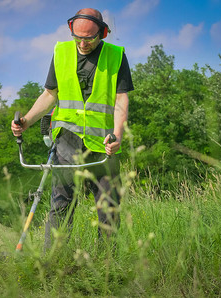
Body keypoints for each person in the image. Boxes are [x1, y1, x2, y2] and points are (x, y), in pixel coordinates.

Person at [11, 8, 134, 249]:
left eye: (89, 38)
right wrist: (26, 121)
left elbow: (121, 98)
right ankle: (54, 261)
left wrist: (118, 134)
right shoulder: (61, 52)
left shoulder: (116, 56)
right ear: (71, 31)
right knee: (61, 203)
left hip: (103, 142)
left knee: (109, 206)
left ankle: (107, 267)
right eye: (77, 37)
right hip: (66, 139)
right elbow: (50, 94)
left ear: (103, 33)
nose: (83, 43)